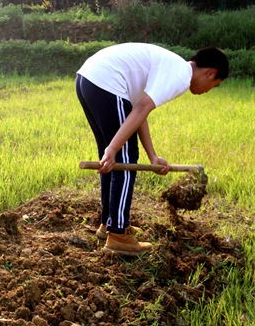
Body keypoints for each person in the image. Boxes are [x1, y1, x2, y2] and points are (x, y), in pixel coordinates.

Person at [75, 43, 229, 256]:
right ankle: (118, 235)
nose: (208, 90)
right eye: (215, 85)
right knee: (125, 159)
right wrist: (113, 148)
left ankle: (108, 223)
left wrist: (152, 156)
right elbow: (140, 109)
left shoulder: (173, 67)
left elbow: (138, 112)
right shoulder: (180, 76)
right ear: (211, 73)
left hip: (88, 78)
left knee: (115, 159)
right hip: (106, 81)